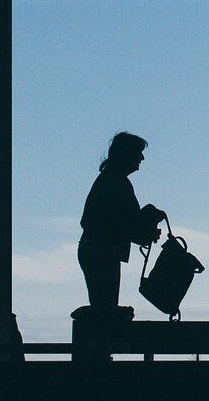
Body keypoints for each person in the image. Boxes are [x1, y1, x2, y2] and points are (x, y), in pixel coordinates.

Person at [78, 132, 165, 317]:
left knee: (103, 307)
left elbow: (122, 224)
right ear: (127, 154)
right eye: (138, 153)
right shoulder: (117, 183)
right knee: (105, 311)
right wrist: (148, 221)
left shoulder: (110, 180)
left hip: (96, 250)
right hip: (102, 252)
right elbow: (126, 226)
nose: (141, 158)